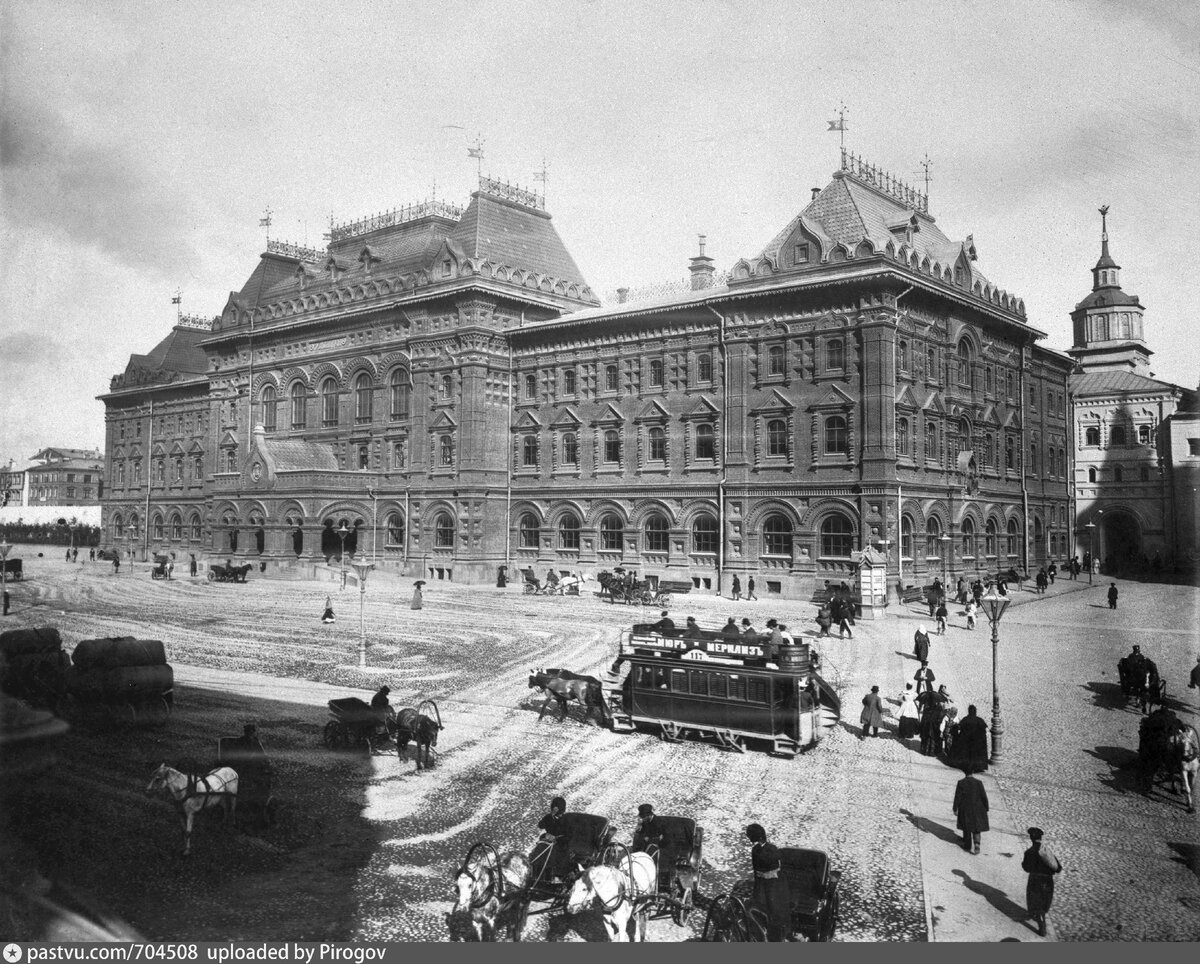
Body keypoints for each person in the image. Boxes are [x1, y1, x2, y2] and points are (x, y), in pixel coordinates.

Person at [746, 824, 790, 942]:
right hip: (762, 883)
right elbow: (756, 870)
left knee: (774, 910)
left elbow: (776, 869)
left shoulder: (772, 849)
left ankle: (776, 936)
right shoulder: (755, 849)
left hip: (773, 883)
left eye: (750, 835)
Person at [1022, 828, 1062, 937]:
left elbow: (1026, 868)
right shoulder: (1046, 851)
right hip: (1048, 881)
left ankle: (1042, 927)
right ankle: (1041, 918)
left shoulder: (1029, 852)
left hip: (1035, 880)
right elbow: (1057, 868)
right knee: (1044, 901)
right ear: (1041, 838)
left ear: (1031, 838)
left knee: (1035, 902)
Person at [952, 766, 990, 854]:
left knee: (966, 826)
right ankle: (977, 844)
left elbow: (957, 797)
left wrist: (955, 808)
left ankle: (967, 844)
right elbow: (984, 796)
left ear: (964, 772)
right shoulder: (979, 783)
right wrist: (986, 807)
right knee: (977, 827)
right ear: (973, 772)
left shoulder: (961, 783)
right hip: (978, 808)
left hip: (965, 808)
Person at [957, 704, 989, 772]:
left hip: (967, 742)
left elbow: (961, 729)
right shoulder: (980, 720)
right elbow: (984, 731)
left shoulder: (965, 719)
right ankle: (978, 767)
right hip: (977, 742)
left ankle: (967, 766)